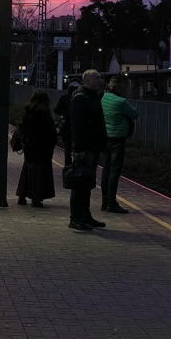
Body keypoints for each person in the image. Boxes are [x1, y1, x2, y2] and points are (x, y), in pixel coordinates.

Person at [69, 68, 108, 231]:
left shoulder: (92, 97)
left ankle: (85, 215)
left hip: (93, 146)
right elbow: (77, 125)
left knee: (87, 181)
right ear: (87, 81)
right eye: (97, 78)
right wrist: (79, 148)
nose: (100, 80)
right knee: (80, 182)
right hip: (85, 147)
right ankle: (76, 218)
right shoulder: (81, 98)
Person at [101, 76, 138, 213]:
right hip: (117, 138)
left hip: (105, 137)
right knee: (115, 171)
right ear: (120, 87)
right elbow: (135, 114)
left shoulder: (102, 98)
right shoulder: (121, 102)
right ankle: (111, 203)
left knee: (106, 169)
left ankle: (104, 201)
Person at [15, 90, 57, 207]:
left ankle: (22, 196)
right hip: (42, 148)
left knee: (27, 169)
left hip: (29, 146)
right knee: (39, 173)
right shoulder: (44, 114)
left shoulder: (28, 112)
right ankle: (36, 198)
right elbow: (51, 133)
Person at [54, 80, 79, 167]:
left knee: (67, 148)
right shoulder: (81, 97)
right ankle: (77, 166)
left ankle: (68, 166)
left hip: (66, 126)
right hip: (78, 126)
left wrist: (64, 113)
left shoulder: (64, 97)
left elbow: (56, 110)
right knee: (78, 148)